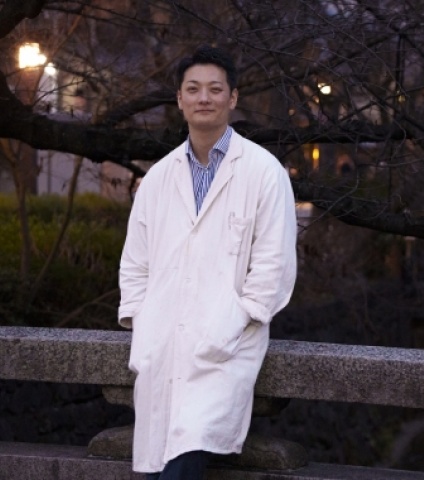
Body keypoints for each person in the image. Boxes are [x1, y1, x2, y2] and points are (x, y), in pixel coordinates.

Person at [118, 45, 297, 479]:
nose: (204, 98)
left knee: (186, 454)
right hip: (163, 344)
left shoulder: (263, 171)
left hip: (227, 344)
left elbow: (274, 265)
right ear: (179, 98)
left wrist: (236, 317)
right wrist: (143, 321)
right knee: (160, 464)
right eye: (193, 89)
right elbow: (135, 263)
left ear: (232, 98)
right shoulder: (158, 178)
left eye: (215, 89)